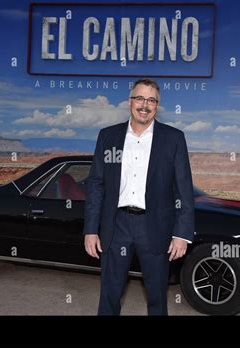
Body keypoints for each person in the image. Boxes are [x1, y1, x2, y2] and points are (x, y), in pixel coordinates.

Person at [83, 78, 195, 315]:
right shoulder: (108, 136)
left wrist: (182, 234)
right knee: (110, 294)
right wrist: (91, 230)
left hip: (155, 227)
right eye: (140, 98)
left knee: (156, 296)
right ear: (129, 102)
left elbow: (183, 189)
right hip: (116, 226)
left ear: (157, 105)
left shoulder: (173, 139)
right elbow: (96, 185)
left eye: (152, 100)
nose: (145, 105)